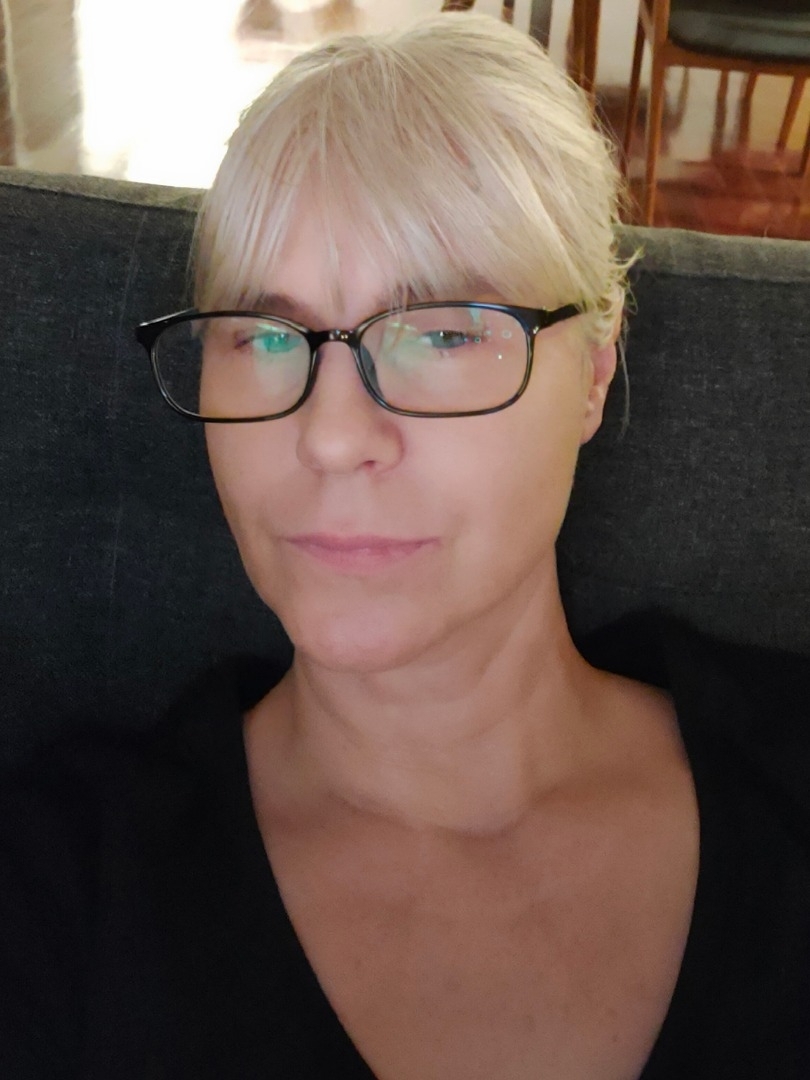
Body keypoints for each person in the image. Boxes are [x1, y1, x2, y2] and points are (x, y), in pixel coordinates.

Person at [2, 12, 809, 1080]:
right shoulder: (63, 891)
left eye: (443, 331)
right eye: (265, 334)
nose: (332, 437)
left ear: (594, 370)